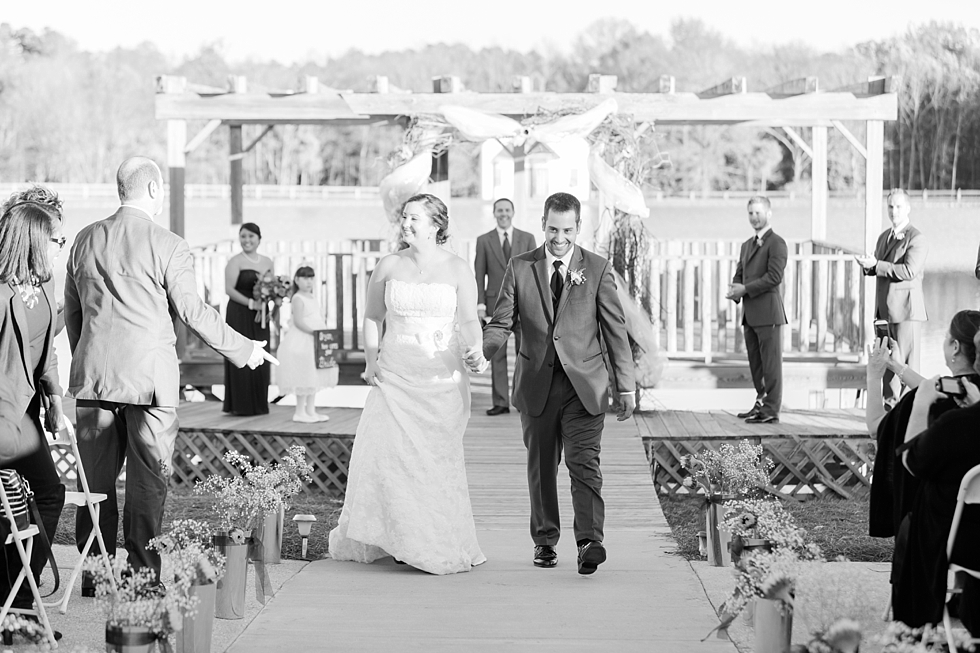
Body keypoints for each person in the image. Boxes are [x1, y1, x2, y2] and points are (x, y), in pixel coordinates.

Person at [65, 156, 275, 588]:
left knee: (95, 483)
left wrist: (87, 357)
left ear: (121, 189)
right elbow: (192, 311)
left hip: (95, 377)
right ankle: (142, 575)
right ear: (155, 190)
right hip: (150, 380)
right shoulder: (169, 243)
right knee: (148, 482)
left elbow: (73, 313)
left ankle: (93, 573)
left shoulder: (85, 238)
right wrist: (244, 348)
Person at [328, 193, 488, 575]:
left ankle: (431, 538)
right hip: (395, 374)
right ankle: (399, 537)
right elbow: (371, 317)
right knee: (391, 456)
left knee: (433, 462)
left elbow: (468, 321)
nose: (406, 223)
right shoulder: (388, 265)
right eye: (404, 217)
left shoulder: (457, 268)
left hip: (440, 379)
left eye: (414, 218)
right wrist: (371, 360)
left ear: (436, 224)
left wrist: (476, 346)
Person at [479, 191, 635, 575]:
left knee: (584, 464)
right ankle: (545, 541)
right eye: (552, 228)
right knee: (542, 467)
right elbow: (502, 321)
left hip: (585, 387)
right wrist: (484, 352)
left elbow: (615, 330)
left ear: (578, 227)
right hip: (537, 385)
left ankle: (589, 542)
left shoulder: (597, 269)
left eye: (567, 229)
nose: (559, 237)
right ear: (543, 225)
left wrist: (626, 386)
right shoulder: (521, 267)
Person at [866, 311, 980, 611]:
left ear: (955, 347)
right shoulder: (970, 402)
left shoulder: (938, 415)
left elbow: (879, 427)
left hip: (950, 535)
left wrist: (875, 375)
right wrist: (899, 367)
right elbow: (939, 387)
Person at [0, 198, 66, 638]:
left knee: (48, 494)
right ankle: (15, 609)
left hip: (24, 410)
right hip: (2, 413)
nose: (61, 245)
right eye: (56, 240)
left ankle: (19, 607)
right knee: (17, 510)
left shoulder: (42, 287)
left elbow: (45, 352)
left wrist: (55, 395)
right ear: (33, 242)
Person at [892, 341, 980, 634]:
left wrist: (920, 403)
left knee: (910, 525)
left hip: (966, 545)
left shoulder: (956, 424)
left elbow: (911, 463)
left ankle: (915, 621)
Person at [856, 189, 928, 407]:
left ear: (907, 208)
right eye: (890, 206)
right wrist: (868, 265)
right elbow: (879, 269)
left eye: (898, 206)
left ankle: (910, 408)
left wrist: (877, 265)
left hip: (907, 311)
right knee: (887, 360)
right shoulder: (884, 236)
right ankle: (889, 406)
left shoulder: (917, 238)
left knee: (906, 363)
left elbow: (908, 271)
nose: (894, 211)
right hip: (885, 310)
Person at [726, 196, 788, 424]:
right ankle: (760, 403)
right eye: (751, 213)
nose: (754, 217)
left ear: (769, 213)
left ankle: (772, 409)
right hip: (750, 314)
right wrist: (735, 289)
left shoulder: (777, 243)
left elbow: (774, 277)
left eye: (758, 213)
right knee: (756, 363)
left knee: (771, 364)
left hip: (769, 313)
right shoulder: (746, 245)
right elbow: (740, 272)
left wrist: (745, 289)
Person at [474, 198, 536, 416]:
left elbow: (533, 274)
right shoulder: (483, 241)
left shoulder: (527, 239)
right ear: (494, 212)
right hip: (495, 306)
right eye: (499, 210)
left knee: (524, 354)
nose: (503, 213)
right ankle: (500, 402)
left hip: (524, 305)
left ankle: (522, 399)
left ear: (513, 212)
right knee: (496, 354)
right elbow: (479, 274)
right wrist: (480, 304)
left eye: (507, 210)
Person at [223, 222, 274, 416]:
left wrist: (272, 304)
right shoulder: (235, 262)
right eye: (243, 236)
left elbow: (271, 288)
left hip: (260, 316)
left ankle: (259, 404)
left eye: (251, 236)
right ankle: (240, 405)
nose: (247, 240)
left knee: (261, 355)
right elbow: (229, 289)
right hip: (239, 313)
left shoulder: (267, 261)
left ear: (259, 239)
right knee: (241, 353)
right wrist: (251, 304)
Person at [277, 266, 338, 423]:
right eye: (305, 278)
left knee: (314, 375)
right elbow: (298, 322)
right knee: (303, 373)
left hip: (316, 340)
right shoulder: (297, 298)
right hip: (304, 339)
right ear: (297, 280)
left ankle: (311, 410)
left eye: (311, 278)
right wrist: (314, 333)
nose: (309, 281)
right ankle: (299, 411)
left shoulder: (312, 296)